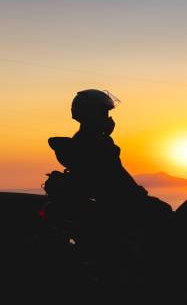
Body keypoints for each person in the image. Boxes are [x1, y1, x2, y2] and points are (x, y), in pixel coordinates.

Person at [46, 89, 171, 226]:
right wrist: (139, 195)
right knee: (163, 211)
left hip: (108, 203)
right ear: (92, 115)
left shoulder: (81, 140)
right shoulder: (98, 143)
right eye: (103, 113)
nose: (108, 118)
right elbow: (116, 177)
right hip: (116, 206)